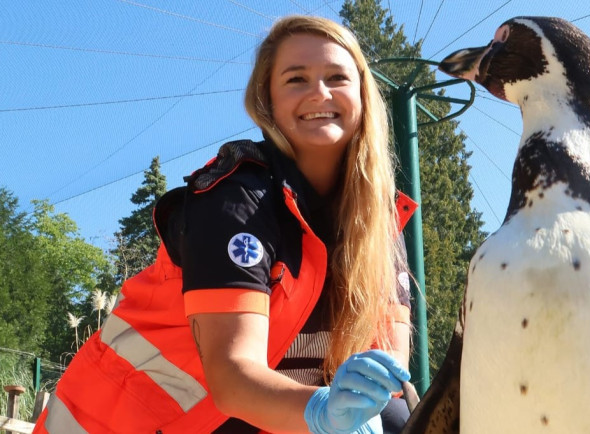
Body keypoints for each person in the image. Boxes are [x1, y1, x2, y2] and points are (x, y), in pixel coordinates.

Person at [34, 15, 418, 434]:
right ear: (266, 100)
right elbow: (234, 381)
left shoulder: (376, 220)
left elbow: (388, 379)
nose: (319, 93)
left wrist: (361, 406)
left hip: (241, 418)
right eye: (296, 79)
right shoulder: (235, 198)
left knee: (396, 422)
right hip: (130, 422)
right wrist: (324, 413)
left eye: (337, 77)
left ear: (363, 95)